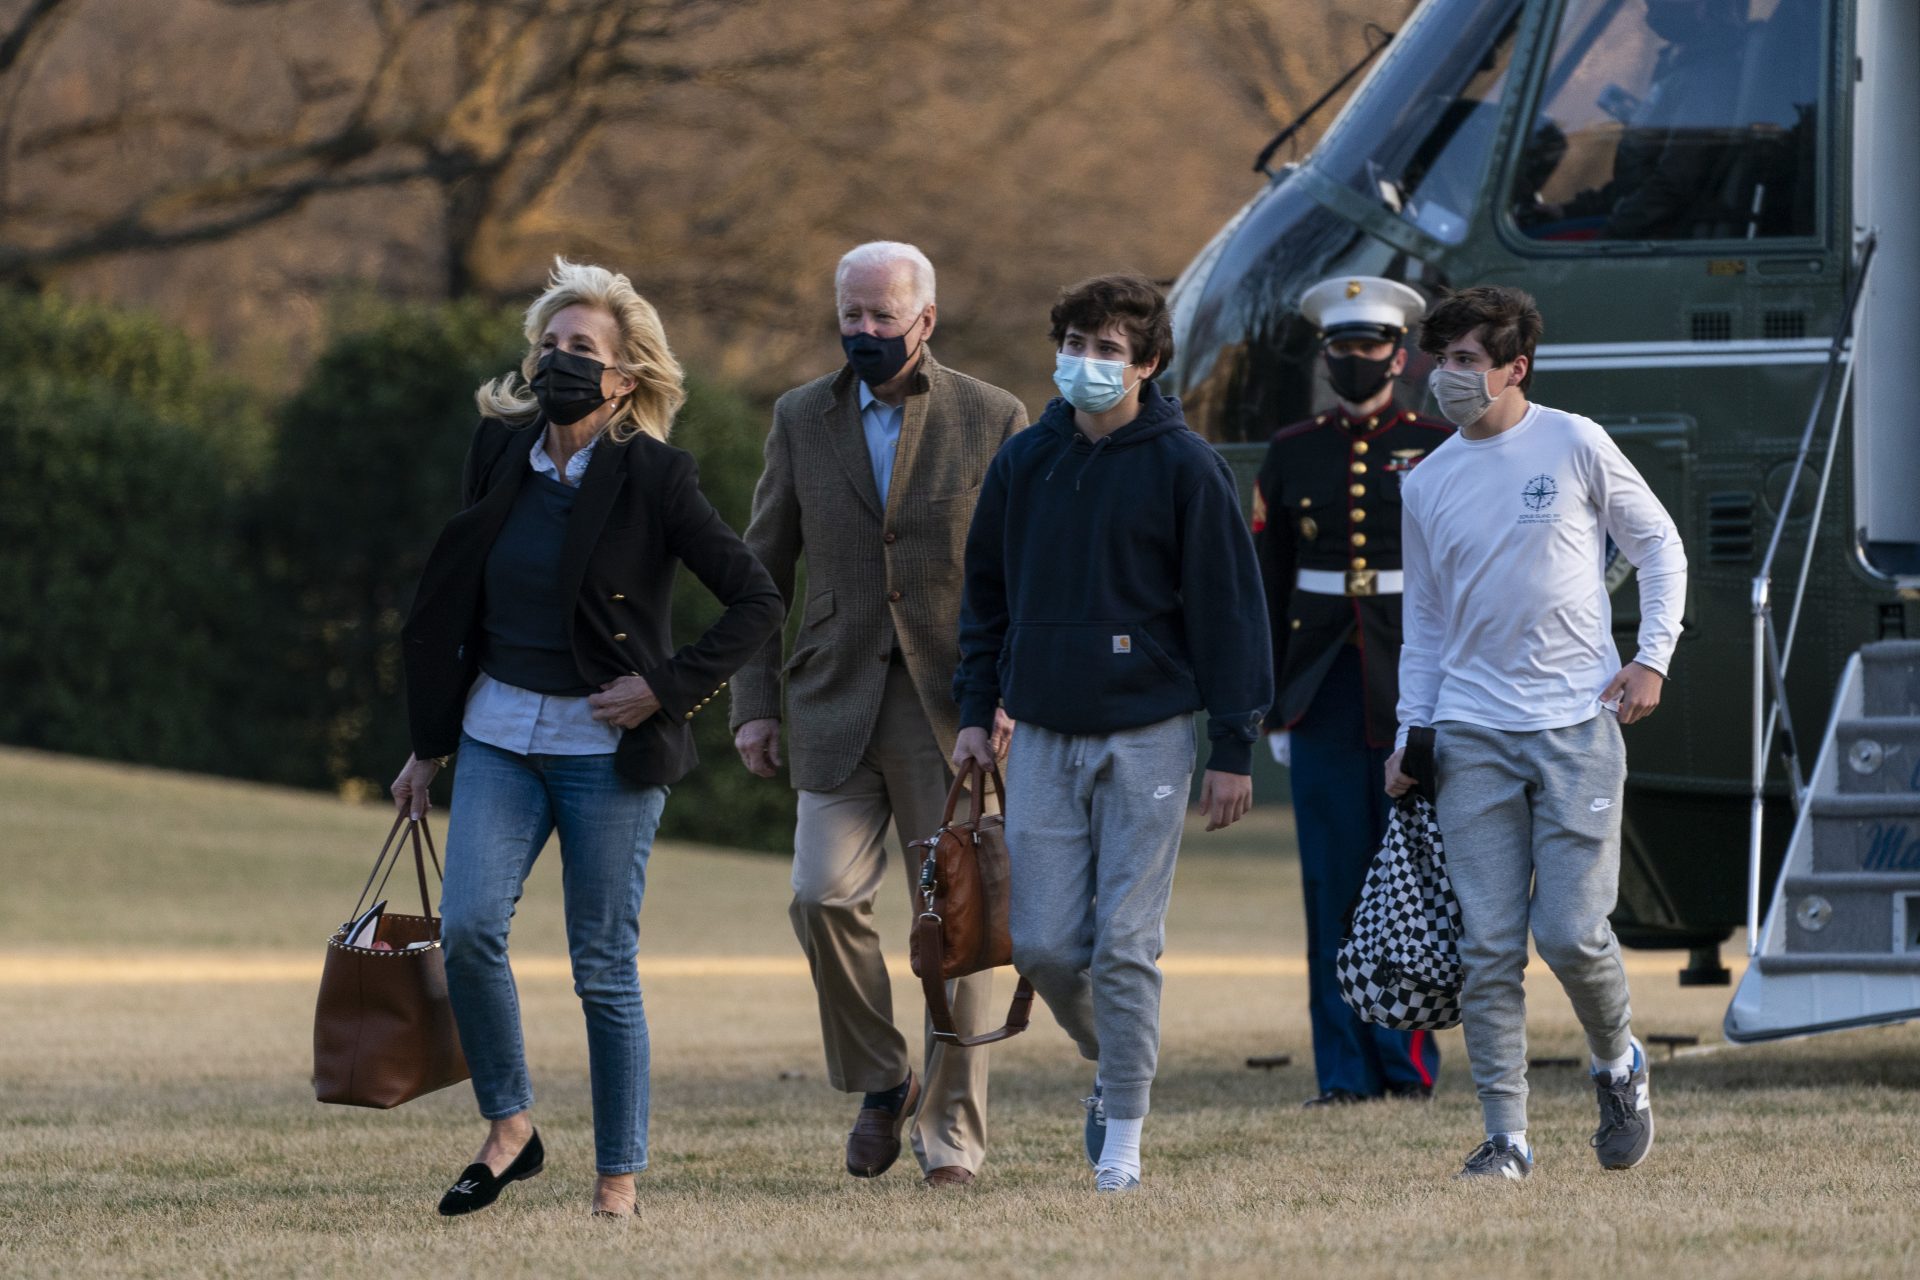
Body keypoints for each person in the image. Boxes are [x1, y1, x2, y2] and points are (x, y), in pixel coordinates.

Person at [390, 258, 783, 1218]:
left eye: (583, 351)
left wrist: (665, 687)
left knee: (601, 968)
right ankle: (510, 1127)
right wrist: (427, 744)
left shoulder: (657, 477)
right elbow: (459, 602)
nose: (559, 362)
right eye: (550, 346)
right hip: (496, 734)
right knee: (472, 929)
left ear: (624, 378)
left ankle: (618, 1177)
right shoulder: (497, 451)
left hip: (606, 753)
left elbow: (757, 600)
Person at [952, 274, 1271, 1192]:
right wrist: (978, 711)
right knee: (1049, 947)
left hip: (1153, 734)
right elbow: (986, 600)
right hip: (1043, 731)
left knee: (1127, 944)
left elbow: (1230, 613)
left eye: (1107, 351)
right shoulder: (1023, 462)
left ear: (1148, 365)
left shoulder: (1186, 467)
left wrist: (1234, 745)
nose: (1085, 364)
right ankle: (1114, 1062)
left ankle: (1123, 1147)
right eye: (1074, 345)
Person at [729, 241, 1026, 1189]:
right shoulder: (798, 417)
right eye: (848, 315)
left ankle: (953, 1143)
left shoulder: (993, 417)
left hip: (958, 714)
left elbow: (1025, 574)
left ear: (925, 320)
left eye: (880, 316)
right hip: (832, 701)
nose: (861, 331)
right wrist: (752, 703)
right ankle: (881, 1076)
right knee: (819, 896)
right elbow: (759, 568)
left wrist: (1010, 694)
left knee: (960, 933)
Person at [1386, 285, 1686, 1182]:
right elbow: (1427, 628)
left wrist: (1652, 656)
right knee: (1486, 947)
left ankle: (1618, 1061)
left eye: (1468, 362)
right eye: (1441, 361)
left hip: (1576, 727)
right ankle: (1506, 1136)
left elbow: (1660, 545)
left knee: (1569, 933)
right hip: (1472, 734)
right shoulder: (1429, 480)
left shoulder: (1574, 441)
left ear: (1516, 369)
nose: (1449, 378)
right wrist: (1414, 735)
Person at [1252, 276, 1451, 1109]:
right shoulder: (1293, 449)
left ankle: (1407, 1066)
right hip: (1325, 684)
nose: (1354, 361)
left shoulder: (1441, 442)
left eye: (1369, 348)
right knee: (1331, 884)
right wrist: (1270, 702)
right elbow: (1269, 583)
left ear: (1399, 355)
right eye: (1341, 350)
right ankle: (1342, 1072)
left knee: (1404, 878)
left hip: (1410, 678)